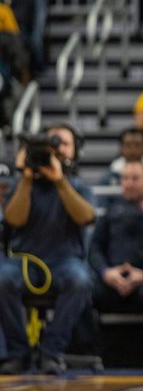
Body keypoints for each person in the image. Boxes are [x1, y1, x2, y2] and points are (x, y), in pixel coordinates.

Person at [0, 124, 95, 375]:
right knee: (2, 277)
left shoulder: (78, 186)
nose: (57, 149)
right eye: (54, 143)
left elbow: (86, 217)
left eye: (64, 143)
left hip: (64, 260)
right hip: (24, 261)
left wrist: (60, 181)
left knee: (81, 280)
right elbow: (14, 220)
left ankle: (51, 352)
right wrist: (26, 178)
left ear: (75, 152)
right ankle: (18, 352)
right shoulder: (20, 184)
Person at [88, 161, 143, 369]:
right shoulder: (109, 210)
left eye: (135, 178)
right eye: (125, 178)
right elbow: (94, 249)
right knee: (83, 289)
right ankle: (91, 354)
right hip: (112, 279)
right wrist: (107, 273)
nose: (129, 183)